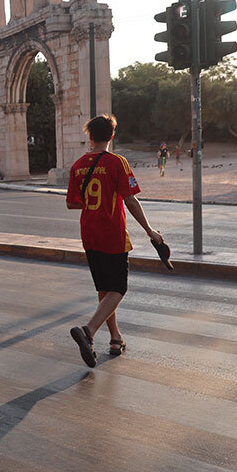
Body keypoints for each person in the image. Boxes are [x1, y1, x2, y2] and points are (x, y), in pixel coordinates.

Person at [66, 115, 163, 368]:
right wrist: (150, 230)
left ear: (90, 137)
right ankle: (88, 331)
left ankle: (115, 338)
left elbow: (72, 203)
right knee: (118, 289)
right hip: (113, 234)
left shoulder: (78, 165)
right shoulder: (117, 162)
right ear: (111, 136)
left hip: (89, 234)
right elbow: (130, 200)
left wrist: (92, 203)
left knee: (104, 290)